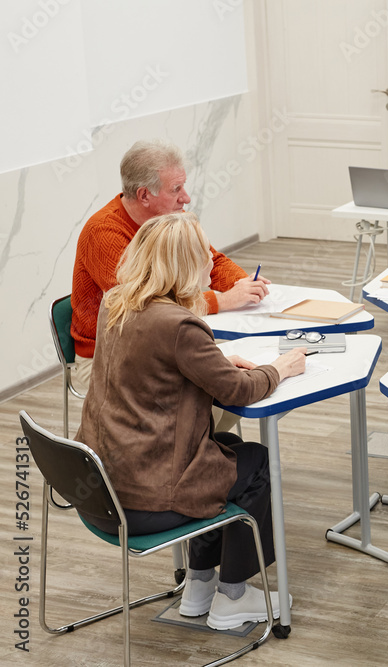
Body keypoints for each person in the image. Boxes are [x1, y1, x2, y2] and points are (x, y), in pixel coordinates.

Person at [74, 212, 307, 631]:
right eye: (203, 255)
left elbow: (156, 362)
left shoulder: (117, 301)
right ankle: (233, 597)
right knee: (256, 463)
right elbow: (238, 391)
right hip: (146, 500)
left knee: (224, 451)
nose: (210, 263)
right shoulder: (180, 325)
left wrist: (213, 360)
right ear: (184, 264)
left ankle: (200, 585)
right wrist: (280, 368)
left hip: (102, 486)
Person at [71, 139, 270, 362]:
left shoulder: (170, 219)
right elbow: (146, 307)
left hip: (157, 338)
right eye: (176, 189)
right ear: (144, 195)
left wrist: (244, 285)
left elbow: (210, 261)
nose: (186, 197)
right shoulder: (102, 232)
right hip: (108, 355)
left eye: (183, 186)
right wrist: (223, 301)